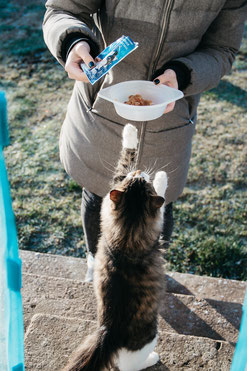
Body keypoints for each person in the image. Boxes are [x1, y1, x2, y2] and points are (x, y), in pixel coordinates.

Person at [43, 1, 247, 277]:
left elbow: (222, 50)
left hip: (169, 121)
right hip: (101, 109)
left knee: (158, 202)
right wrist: (72, 41)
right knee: (97, 191)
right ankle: (96, 262)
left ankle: (144, 278)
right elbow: (62, 10)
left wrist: (184, 74)